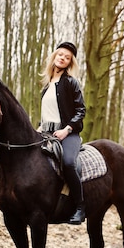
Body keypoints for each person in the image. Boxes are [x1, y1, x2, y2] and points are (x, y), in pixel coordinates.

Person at [38, 41, 87, 225]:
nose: (63, 59)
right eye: (61, 55)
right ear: (54, 56)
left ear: (70, 62)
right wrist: (40, 126)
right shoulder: (47, 85)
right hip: (47, 132)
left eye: (67, 58)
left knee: (67, 162)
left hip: (68, 133)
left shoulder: (71, 83)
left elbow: (80, 111)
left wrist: (67, 129)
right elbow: (49, 112)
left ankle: (80, 207)